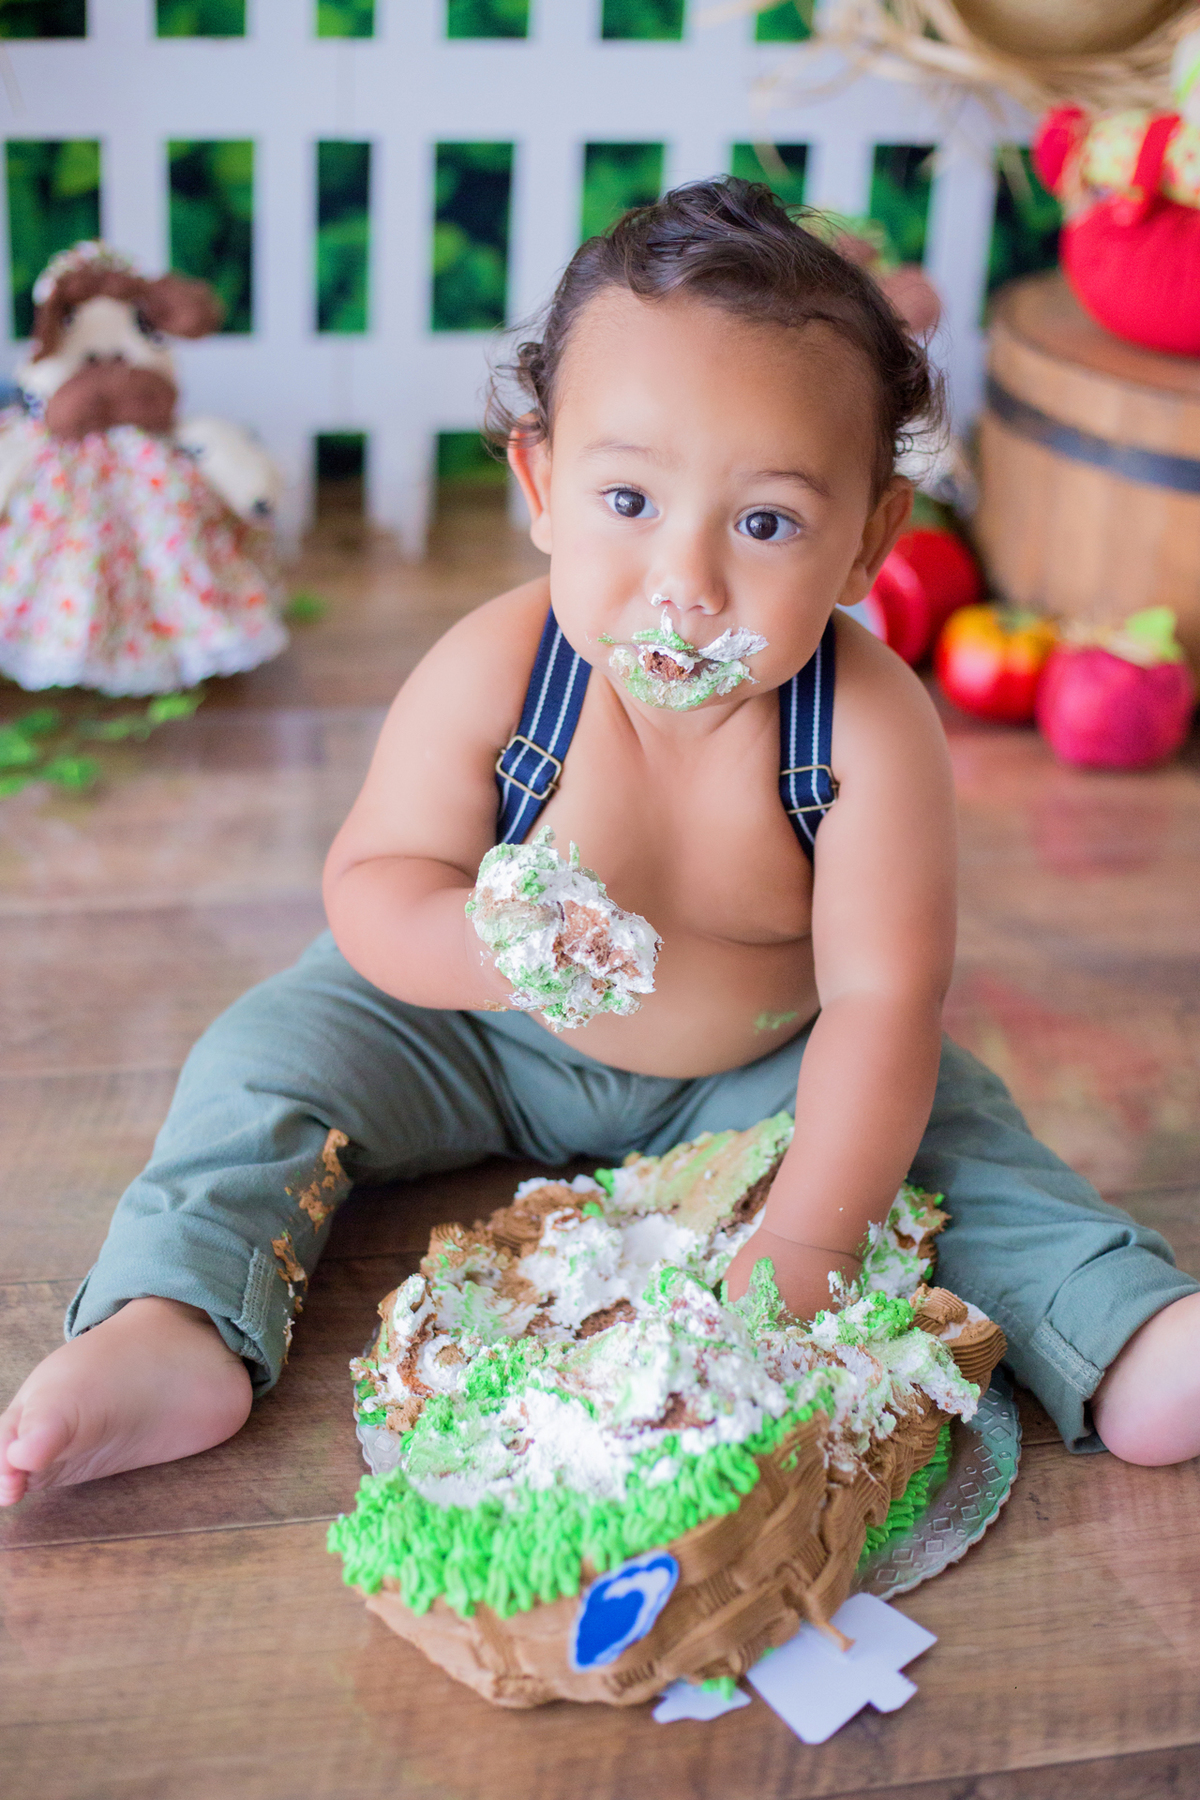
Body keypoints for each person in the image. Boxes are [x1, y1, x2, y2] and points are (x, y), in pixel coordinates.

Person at [3, 180, 1197, 1508]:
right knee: (262, 1061)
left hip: (760, 1066)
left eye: (765, 523)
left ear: (867, 541)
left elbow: (880, 999)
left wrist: (808, 1242)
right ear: (541, 483)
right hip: (474, 1030)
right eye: (628, 499)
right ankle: (173, 1317)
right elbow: (376, 885)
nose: (686, 583)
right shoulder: (503, 671)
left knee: (943, 1131)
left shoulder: (866, 730)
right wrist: (488, 950)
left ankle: (1121, 1326)